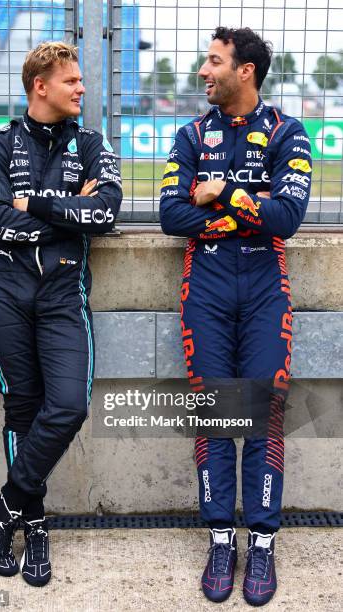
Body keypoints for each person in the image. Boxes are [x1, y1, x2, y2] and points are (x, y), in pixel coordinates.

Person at [160, 27, 311, 606]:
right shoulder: (191, 134)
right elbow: (173, 215)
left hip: (266, 289)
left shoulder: (288, 133)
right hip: (208, 287)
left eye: (213, 61)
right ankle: (221, 538)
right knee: (218, 417)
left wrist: (219, 193)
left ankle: (264, 542)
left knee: (264, 413)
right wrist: (246, 208)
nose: (203, 70)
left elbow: (288, 217)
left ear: (244, 70)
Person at [0, 41, 122, 587]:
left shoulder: (91, 144)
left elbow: (104, 212)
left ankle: (5, 504)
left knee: (68, 405)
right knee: (22, 409)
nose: (82, 88)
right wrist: (68, 213)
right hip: (7, 291)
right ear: (41, 85)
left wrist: (32, 202)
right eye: (72, 81)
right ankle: (32, 524)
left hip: (63, 294)